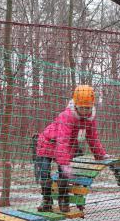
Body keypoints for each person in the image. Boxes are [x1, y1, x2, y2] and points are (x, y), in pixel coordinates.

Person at [35, 85, 111, 213]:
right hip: (48, 142)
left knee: (64, 174)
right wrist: (64, 163)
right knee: (44, 172)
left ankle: (63, 200)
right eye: (82, 108)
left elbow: (92, 138)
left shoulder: (90, 119)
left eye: (88, 108)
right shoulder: (67, 116)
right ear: (75, 105)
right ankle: (46, 201)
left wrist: (101, 155)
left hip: (63, 146)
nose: (85, 111)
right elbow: (62, 140)